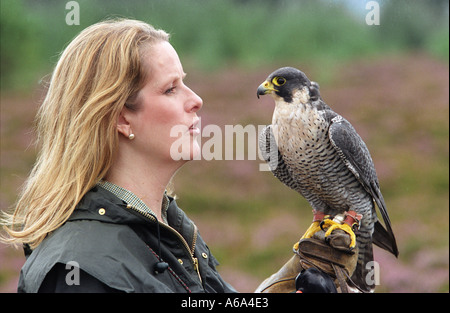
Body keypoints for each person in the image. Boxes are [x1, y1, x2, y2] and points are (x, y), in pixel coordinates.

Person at [1, 18, 355, 293]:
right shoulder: (79, 271)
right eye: (171, 88)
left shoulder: (169, 231)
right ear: (122, 118)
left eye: (185, 82)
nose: (196, 99)